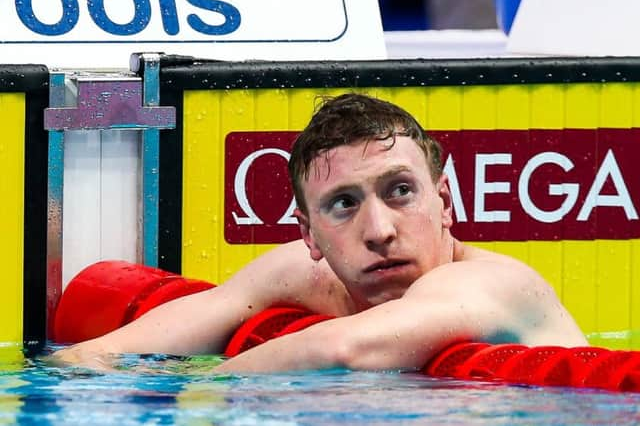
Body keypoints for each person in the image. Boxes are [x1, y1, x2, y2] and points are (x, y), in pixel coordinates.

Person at [53, 93, 587, 373]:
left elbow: (345, 349)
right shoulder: (304, 275)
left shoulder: (491, 284)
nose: (378, 230)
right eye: (344, 204)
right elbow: (105, 354)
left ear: (443, 202)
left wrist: (202, 389)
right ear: (310, 235)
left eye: (400, 191)